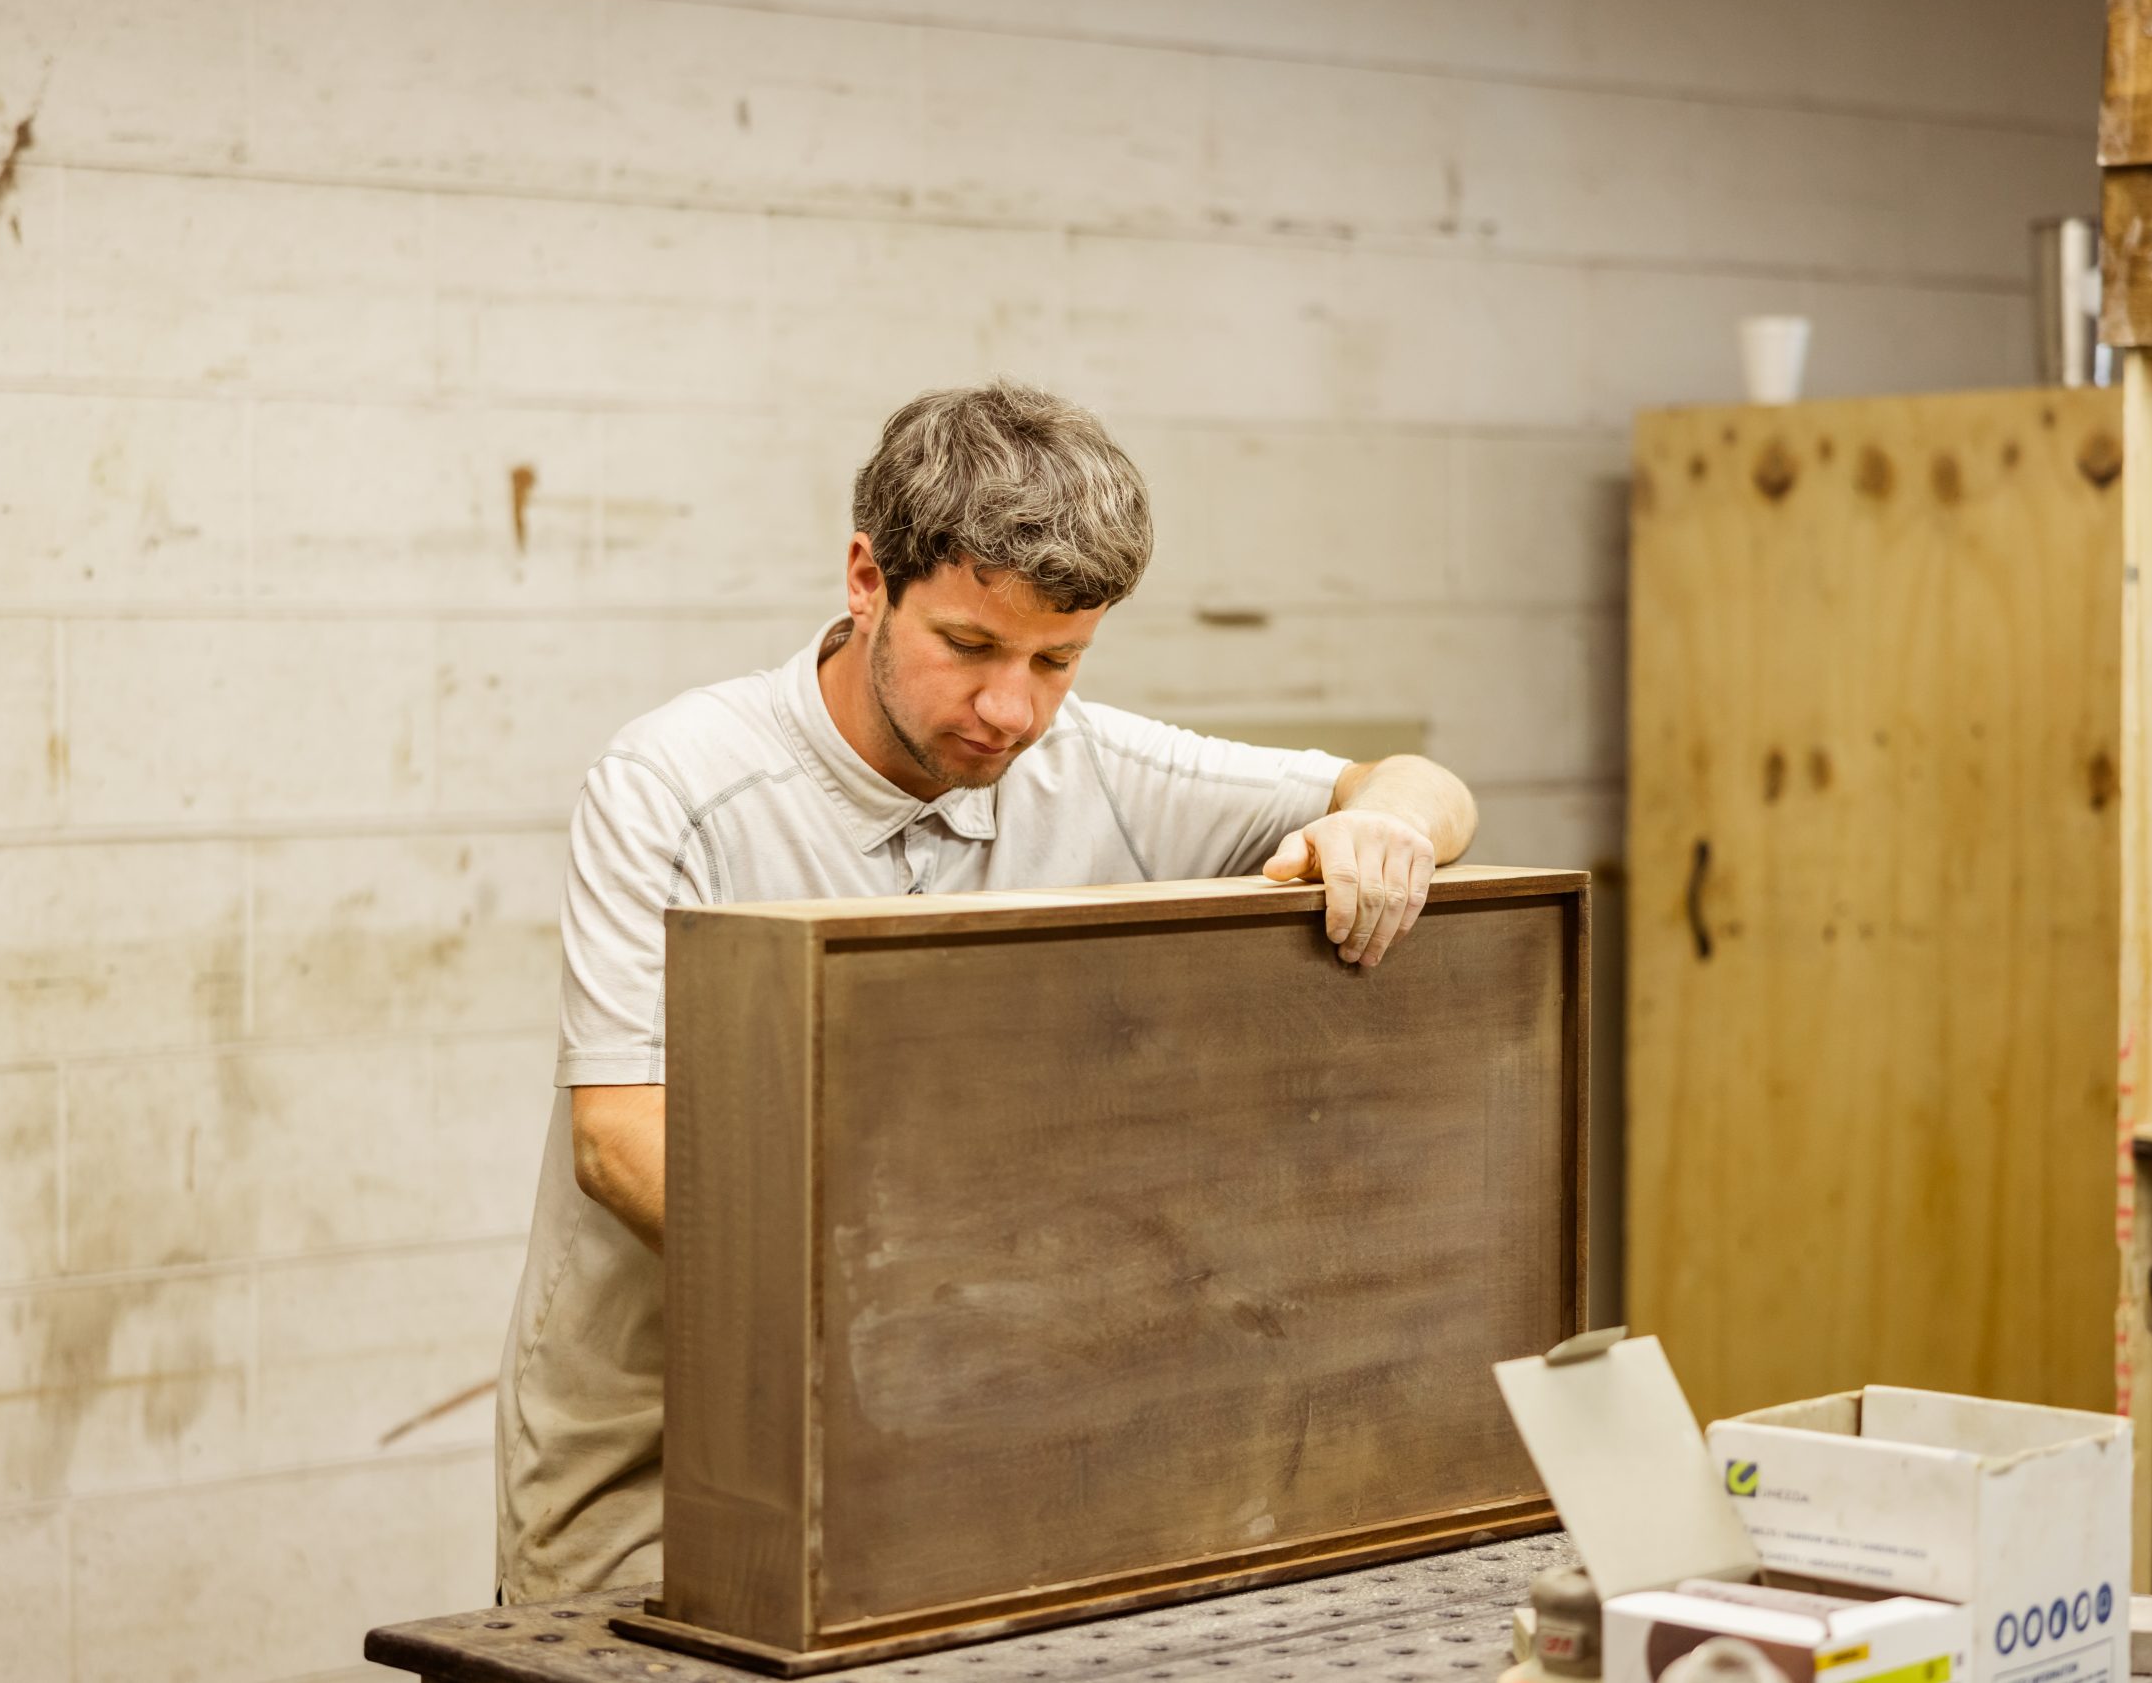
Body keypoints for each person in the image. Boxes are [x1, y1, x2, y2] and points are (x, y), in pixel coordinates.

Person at [494, 378, 1480, 1602]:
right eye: (968, 646)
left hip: (969, 1455)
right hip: (661, 1458)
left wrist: (1386, 825)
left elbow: (1418, 784)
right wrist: (917, 1310)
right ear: (868, 581)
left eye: (1057, 660)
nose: (1011, 710)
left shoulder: (1096, 766)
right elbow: (622, 1137)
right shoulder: (673, 784)